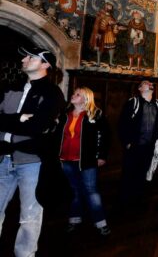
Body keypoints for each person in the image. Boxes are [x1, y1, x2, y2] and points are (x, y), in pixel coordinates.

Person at [0, 46, 65, 257]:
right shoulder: (11, 87)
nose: (24, 59)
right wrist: (19, 118)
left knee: (29, 216)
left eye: (31, 57)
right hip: (3, 158)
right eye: (25, 56)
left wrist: (9, 122)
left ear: (45, 64)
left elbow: (36, 128)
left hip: (31, 162)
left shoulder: (52, 93)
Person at [56, 87, 111, 236]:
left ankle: (101, 223)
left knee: (91, 191)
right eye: (74, 93)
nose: (73, 95)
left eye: (77, 94)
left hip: (86, 160)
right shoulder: (64, 114)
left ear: (86, 98)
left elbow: (105, 137)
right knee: (74, 191)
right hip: (66, 160)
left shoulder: (96, 114)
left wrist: (101, 156)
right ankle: (74, 219)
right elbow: (57, 136)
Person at [117, 80, 158, 208]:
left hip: (148, 147)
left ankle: (138, 200)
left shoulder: (157, 104)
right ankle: (124, 202)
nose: (150, 84)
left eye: (151, 84)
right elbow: (122, 124)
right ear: (140, 88)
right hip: (134, 146)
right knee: (128, 174)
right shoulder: (133, 102)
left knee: (142, 173)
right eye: (146, 83)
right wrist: (127, 142)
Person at [89, 0, 120, 67]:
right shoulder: (101, 13)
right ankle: (98, 62)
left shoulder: (111, 15)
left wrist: (114, 25)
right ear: (106, 5)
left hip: (109, 33)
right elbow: (97, 23)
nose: (111, 7)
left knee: (111, 47)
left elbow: (113, 22)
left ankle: (111, 62)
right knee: (100, 47)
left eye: (111, 6)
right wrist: (97, 32)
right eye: (109, 6)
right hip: (101, 32)